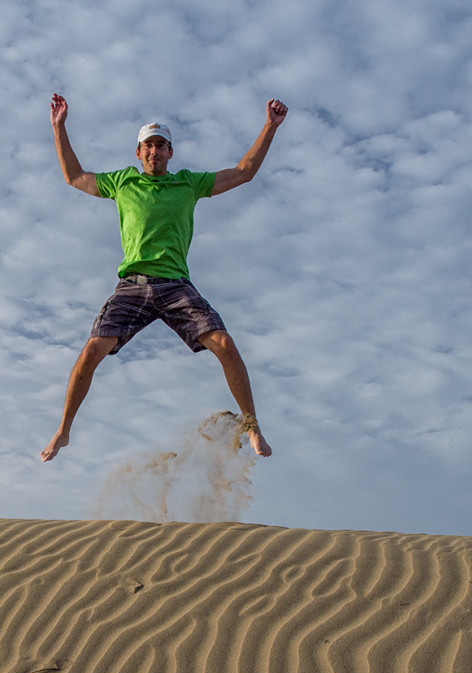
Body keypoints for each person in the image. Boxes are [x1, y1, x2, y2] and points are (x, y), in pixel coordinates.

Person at [41, 92, 287, 462]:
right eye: (148, 146)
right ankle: (63, 431)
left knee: (225, 343)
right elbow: (74, 176)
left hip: (175, 285)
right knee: (92, 350)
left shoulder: (188, 183)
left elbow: (243, 172)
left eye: (161, 146)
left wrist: (270, 126)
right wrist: (59, 128)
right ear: (138, 153)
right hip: (132, 286)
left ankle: (252, 425)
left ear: (171, 153)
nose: (154, 152)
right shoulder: (123, 182)